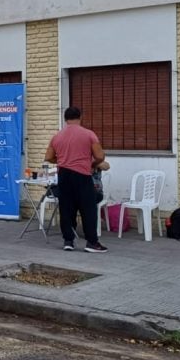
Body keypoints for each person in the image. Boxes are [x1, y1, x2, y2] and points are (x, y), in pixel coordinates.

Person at [45, 107, 108, 253]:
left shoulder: (57, 136)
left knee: (66, 208)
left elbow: (48, 157)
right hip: (82, 175)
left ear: (65, 118)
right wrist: (90, 164)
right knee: (88, 209)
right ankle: (92, 243)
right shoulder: (89, 134)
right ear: (81, 117)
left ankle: (68, 241)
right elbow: (100, 156)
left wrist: (61, 160)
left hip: (64, 175)